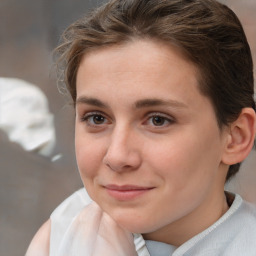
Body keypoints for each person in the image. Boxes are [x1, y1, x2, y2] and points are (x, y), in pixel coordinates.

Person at [26, 0, 256, 255]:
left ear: (236, 137)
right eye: (97, 118)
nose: (117, 156)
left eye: (158, 120)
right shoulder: (63, 232)